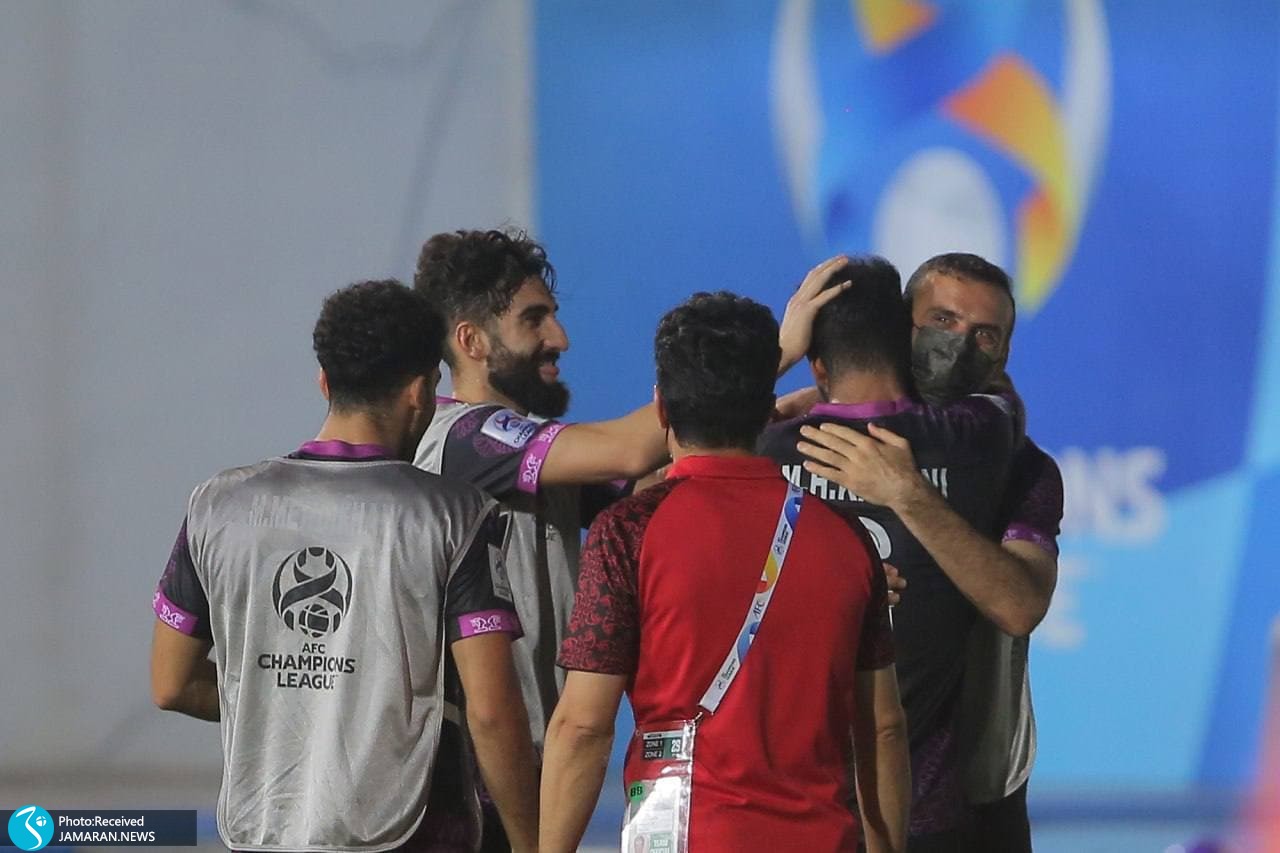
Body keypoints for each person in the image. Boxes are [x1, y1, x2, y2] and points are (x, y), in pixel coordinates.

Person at [150, 280, 539, 852]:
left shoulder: (217, 505)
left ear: (324, 383)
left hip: (261, 833)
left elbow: (171, 684)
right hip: (410, 836)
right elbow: (491, 712)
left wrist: (298, 703)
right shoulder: (455, 514)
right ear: (420, 390)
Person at [540, 292, 910, 853]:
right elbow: (882, 727)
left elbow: (582, 726)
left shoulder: (628, 530)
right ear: (767, 410)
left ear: (661, 408)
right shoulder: (847, 538)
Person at [798, 253, 1063, 853]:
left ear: (1004, 354)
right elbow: (687, 445)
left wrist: (908, 493)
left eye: (984, 334)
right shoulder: (808, 442)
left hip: (961, 801)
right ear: (902, 328)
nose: (958, 344)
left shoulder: (1022, 468)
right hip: (812, 799)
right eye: (943, 320)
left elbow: (1019, 605)